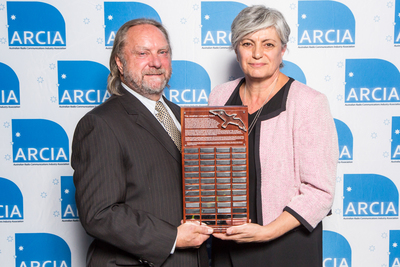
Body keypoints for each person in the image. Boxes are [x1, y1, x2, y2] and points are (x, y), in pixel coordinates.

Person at [72, 18, 213, 267]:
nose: (156, 62)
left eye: (163, 52)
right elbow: (99, 213)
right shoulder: (100, 124)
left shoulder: (185, 117)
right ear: (119, 62)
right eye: (142, 53)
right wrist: (172, 238)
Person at [208, 5, 338, 267]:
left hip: (286, 244)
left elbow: (320, 192)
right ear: (236, 49)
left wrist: (266, 232)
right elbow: (211, 169)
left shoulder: (308, 102)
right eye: (247, 43)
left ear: (282, 50)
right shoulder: (219, 97)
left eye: (268, 44)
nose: (257, 53)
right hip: (228, 242)